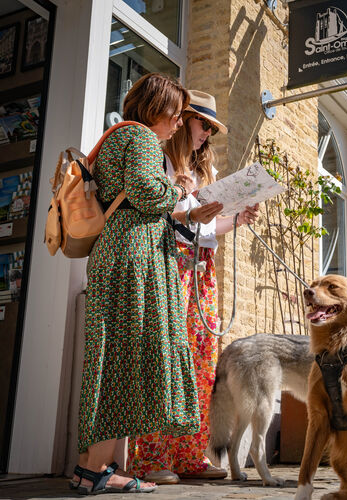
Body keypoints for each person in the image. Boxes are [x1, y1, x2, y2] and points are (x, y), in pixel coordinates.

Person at [70, 73, 200, 495]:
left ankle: (99, 468)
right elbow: (146, 192)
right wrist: (179, 190)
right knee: (125, 356)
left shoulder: (116, 138)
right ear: (157, 108)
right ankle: (94, 469)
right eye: (177, 114)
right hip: (133, 260)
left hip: (118, 254)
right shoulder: (141, 138)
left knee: (115, 354)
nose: (180, 123)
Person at [128, 90, 260, 484]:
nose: (207, 135)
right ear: (184, 120)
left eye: (211, 129)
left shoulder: (206, 172)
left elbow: (207, 227)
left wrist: (236, 219)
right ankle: (150, 456)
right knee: (165, 355)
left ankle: (189, 454)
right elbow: (156, 209)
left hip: (201, 267)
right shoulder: (160, 158)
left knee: (201, 360)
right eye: (203, 125)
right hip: (168, 261)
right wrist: (184, 198)